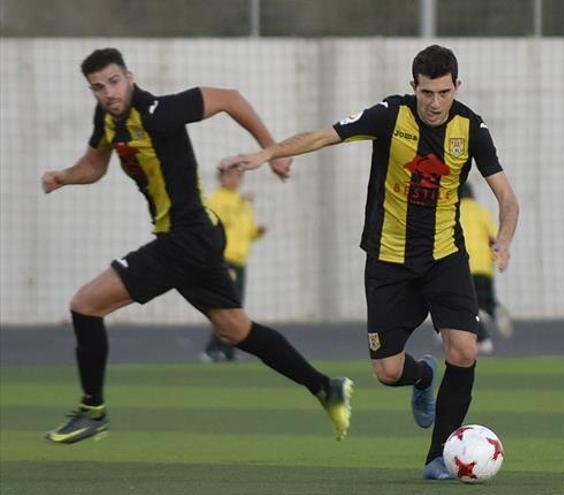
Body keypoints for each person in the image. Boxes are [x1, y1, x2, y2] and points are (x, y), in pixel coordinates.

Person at [223, 44, 519, 480]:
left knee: (464, 349)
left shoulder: (472, 128)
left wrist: (505, 241)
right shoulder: (389, 115)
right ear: (412, 87)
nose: (434, 103)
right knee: (387, 371)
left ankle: (438, 456)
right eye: (426, 93)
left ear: (457, 86)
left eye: (443, 92)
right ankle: (421, 378)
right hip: (388, 260)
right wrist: (268, 153)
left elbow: (507, 197)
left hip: (444, 256)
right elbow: (323, 135)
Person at [40, 48, 352, 445]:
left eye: (114, 82)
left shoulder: (159, 111)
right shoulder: (107, 119)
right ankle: (326, 387)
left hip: (185, 239)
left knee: (85, 305)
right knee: (236, 329)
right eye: (98, 87)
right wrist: (63, 177)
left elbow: (230, 99)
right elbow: (93, 166)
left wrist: (270, 152)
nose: (109, 93)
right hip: (197, 238)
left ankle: (92, 411)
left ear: (129, 77)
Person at [201, 167, 266, 362]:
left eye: (240, 175)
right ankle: (214, 349)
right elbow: (219, 223)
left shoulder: (241, 201)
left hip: (240, 260)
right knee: (226, 306)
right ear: (221, 178)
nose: (238, 179)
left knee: (236, 306)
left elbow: (245, 233)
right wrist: (241, 203)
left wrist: (258, 232)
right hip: (224, 259)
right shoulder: (218, 199)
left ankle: (227, 349)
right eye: (233, 175)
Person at [459, 182, 514, 355]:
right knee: (484, 300)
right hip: (483, 266)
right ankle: (495, 309)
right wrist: (494, 258)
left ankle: (483, 340)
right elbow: (493, 239)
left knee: (467, 305)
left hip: (464, 264)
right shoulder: (482, 212)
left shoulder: (455, 211)